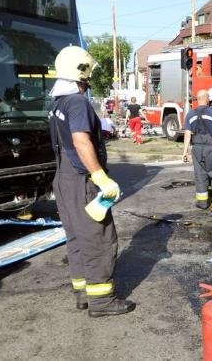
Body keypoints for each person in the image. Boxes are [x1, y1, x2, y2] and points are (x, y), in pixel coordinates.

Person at [47, 46, 134, 317]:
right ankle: (102, 302)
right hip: (81, 179)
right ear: (81, 75)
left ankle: (83, 293)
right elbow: (80, 140)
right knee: (99, 238)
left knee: (76, 238)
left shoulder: (57, 104)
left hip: (63, 179)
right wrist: (100, 176)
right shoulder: (76, 103)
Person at [181, 89, 212, 209]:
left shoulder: (190, 114)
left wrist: (185, 152)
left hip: (197, 149)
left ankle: (202, 203)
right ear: (207, 99)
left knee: (200, 176)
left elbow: (187, 134)